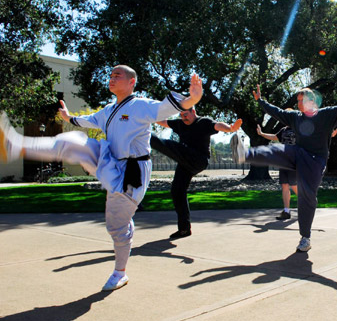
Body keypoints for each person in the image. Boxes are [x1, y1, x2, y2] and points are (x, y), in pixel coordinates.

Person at [0, 65, 203, 290]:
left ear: (131, 82)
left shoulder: (141, 105)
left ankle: (120, 272)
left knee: (117, 227)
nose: (112, 78)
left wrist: (192, 98)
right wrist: (68, 117)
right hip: (108, 159)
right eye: (111, 75)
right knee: (74, 141)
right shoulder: (108, 110)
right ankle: (15, 145)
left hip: (132, 172)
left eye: (118, 75)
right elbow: (87, 120)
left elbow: (167, 108)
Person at [231, 77, 337, 252]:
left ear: (311, 101)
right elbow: (276, 112)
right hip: (298, 154)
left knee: (307, 196)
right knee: (282, 150)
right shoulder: (295, 117)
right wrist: (260, 101)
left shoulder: (327, 115)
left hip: (316, 162)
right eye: (297, 101)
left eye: (300, 100)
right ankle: (244, 154)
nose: (298, 104)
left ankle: (305, 237)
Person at [151, 108, 242, 239]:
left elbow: (217, 125)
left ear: (193, 112)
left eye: (186, 115)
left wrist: (230, 128)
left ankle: (147, 136)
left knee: (173, 146)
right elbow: (164, 122)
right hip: (185, 162)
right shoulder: (180, 123)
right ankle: (184, 229)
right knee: (177, 190)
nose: (184, 118)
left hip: (198, 159)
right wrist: (147, 115)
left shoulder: (203, 122)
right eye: (181, 115)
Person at [256, 123, 298, 220]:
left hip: (294, 161)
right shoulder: (283, 129)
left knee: (294, 185)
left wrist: (328, 135)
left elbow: (312, 136)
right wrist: (262, 133)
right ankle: (286, 211)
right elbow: (275, 137)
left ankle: (306, 202)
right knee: (284, 185)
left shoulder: (299, 127)